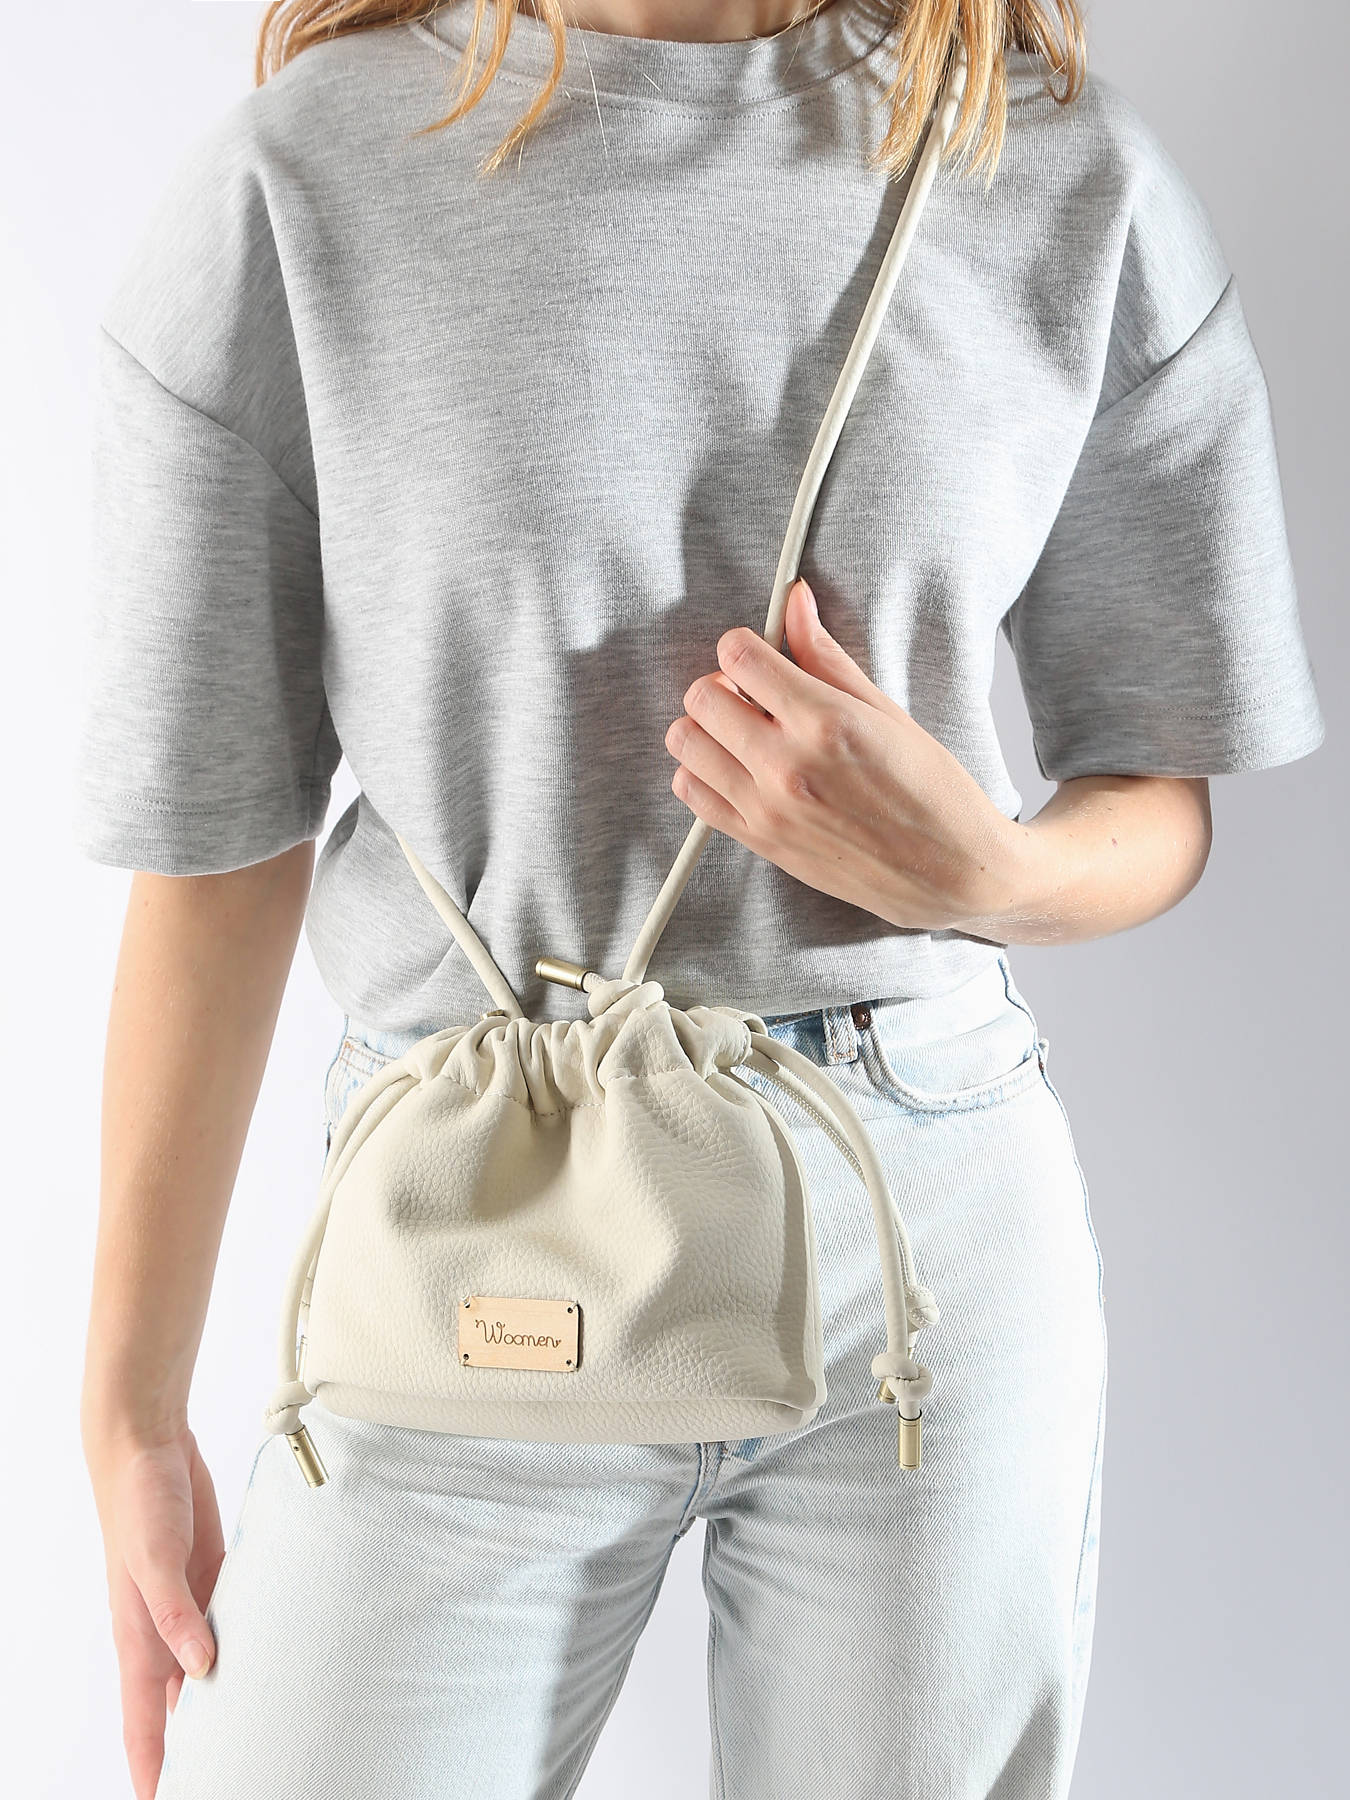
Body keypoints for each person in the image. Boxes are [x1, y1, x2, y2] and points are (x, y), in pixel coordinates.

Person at [73, 3, 1325, 1797]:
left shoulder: (1061, 169)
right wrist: (128, 1405)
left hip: (921, 1258)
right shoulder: (303, 181)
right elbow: (215, 851)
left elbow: (1160, 792)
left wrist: (983, 873)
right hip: (468, 1217)